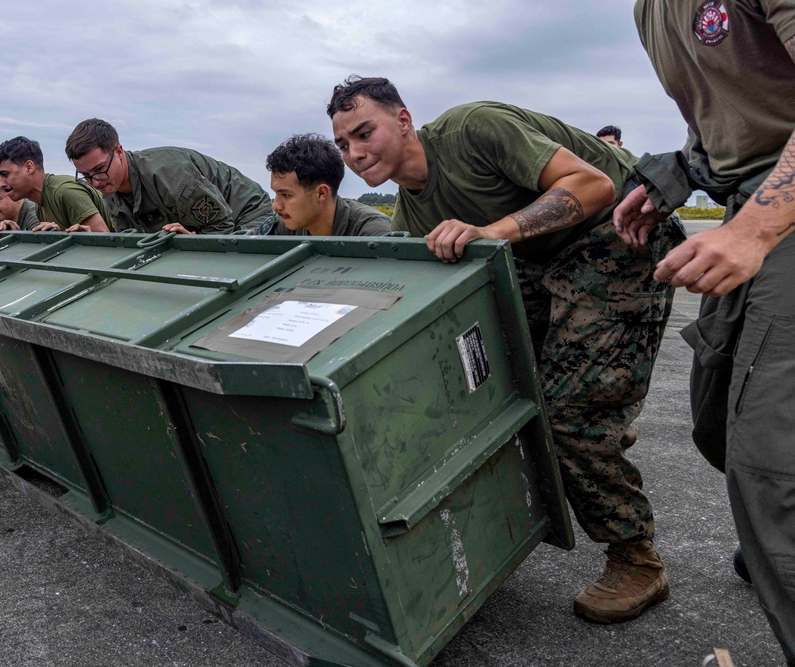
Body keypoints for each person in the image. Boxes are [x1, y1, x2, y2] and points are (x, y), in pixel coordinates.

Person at [328, 75, 685, 624]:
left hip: (618, 236)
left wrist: (489, 231)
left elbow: (593, 187)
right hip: (544, 263)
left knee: (569, 417)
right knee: (507, 385)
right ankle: (598, 426)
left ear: (403, 121)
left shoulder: (473, 129)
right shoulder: (411, 214)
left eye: (363, 133)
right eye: (342, 144)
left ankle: (637, 560)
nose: (354, 153)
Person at [618, 2, 795, 661]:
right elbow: (729, 117)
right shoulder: (650, 9)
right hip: (753, 199)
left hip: (778, 213)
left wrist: (753, 230)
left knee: (771, 464)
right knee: (716, 420)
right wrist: (679, 171)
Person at [64, 118, 273, 235]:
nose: (95, 181)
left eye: (99, 169)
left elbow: (221, 228)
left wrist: (192, 240)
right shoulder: (110, 186)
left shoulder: (170, 175)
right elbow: (134, 241)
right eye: (85, 175)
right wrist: (93, 237)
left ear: (119, 152)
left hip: (247, 215)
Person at [259, 133, 391, 237]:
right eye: (276, 194)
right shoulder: (286, 227)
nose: (276, 205)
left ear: (321, 193)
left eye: (286, 195)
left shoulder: (373, 234)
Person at [0, 136, 112, 233]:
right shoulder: (40, 205)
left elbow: (103, 242)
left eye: (5, 174)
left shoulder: (65, 192)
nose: (1, 184)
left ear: (29, 167)